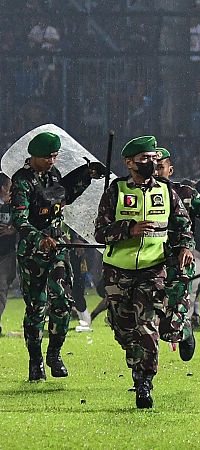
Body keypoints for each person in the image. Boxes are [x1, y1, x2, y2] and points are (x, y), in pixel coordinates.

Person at [95, 136, 193, 408]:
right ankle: (137, 362)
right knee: (123, 330)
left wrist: (185, 246)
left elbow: (184, 224)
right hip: (118, 271)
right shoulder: (115, 191)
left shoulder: (166, 191)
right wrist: (129, 229)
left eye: (154, 159)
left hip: (153, 269)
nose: (151, 163)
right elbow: (100, 232)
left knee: (147, 326)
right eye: (145, 159)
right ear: (130, 162)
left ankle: (144, 383)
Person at [10, 132, 103, 381]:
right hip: (33, 254)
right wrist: (39, 237)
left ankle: (54, 353)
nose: (52, 161)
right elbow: (19, 220)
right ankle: (35, 361)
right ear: (34, 156)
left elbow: (64, 196)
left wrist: (87, 175)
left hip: (58, 248)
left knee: (62, 303)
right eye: (47, 157)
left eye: (54, 156)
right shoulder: (22, 181)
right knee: (36, 308)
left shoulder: (53, 175)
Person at [155, 147, 200, 357]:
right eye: (152, 167)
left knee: (171, 322)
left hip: (179, 260)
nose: (156, 172)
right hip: (147, 261)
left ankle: (184, 331)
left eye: (160, 167)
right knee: (145, 313)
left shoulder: (185, 193)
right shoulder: (138, 193)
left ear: (170, 169)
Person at [0, 173, 17, 337]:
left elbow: (25, 222)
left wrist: (13, 229)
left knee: (1, 287)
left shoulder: (14, 206)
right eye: (10, 188)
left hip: (6, 254)